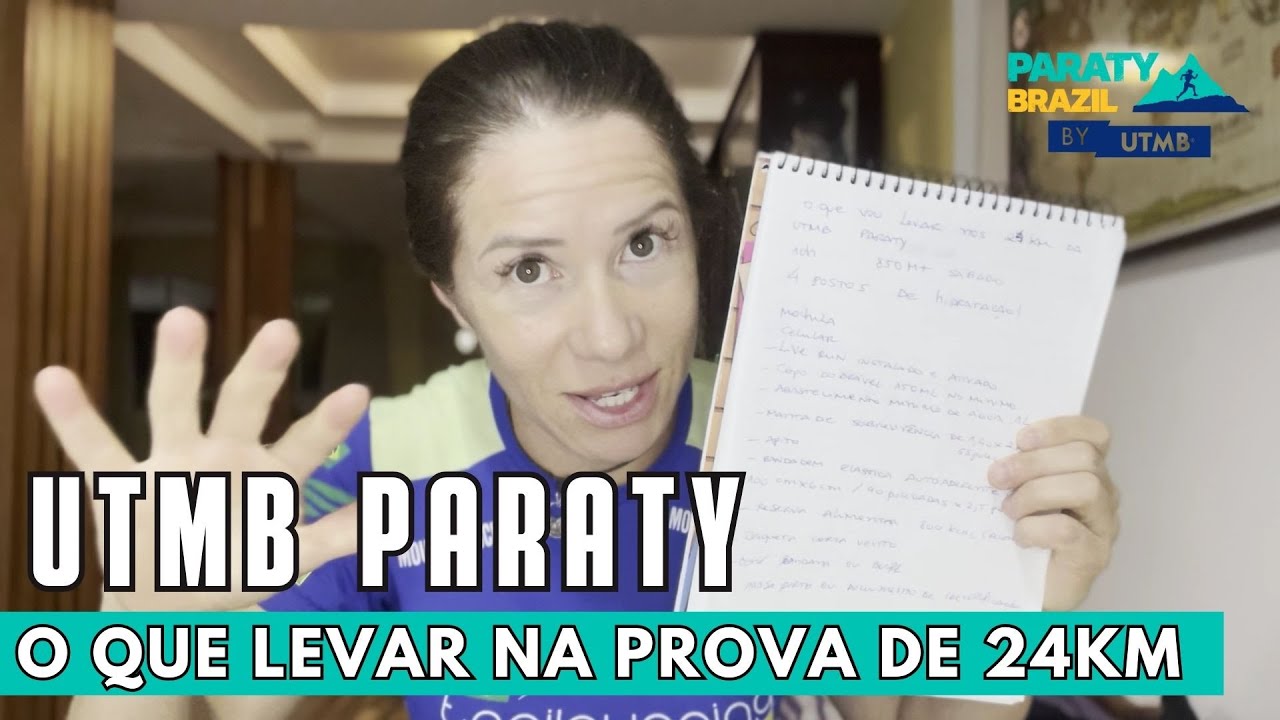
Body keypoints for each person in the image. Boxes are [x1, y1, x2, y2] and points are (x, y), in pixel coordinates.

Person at [43, 20, 1120, 720]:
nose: (610, 337)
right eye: (528, 269)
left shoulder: (800, 432)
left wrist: (1021, 609)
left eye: (644, 242)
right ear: (451, 298)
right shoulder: (390, 463)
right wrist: (150, 617)